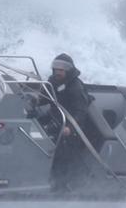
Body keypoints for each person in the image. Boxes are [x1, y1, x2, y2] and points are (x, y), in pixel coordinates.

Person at [38, 53, 93, 191]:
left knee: (62, 155)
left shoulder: (75, 88)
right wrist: (36, 100)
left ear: (68, 71)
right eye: (56, 69)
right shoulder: (53, 81)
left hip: (71, 128)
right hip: (55, 118)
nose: (58, 72)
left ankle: (60, 185)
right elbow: (45, 97)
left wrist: (69, 128)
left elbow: (81, 112)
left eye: (61, 70)